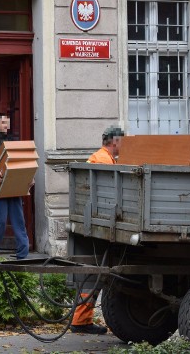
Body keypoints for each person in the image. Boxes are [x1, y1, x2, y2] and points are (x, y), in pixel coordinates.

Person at [70, 126, 124, 335]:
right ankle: (80, 320)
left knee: (94, 275)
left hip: (94, 220)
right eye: (122, 142)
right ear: (114, 141)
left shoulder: (101, 157)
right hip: (101, 222)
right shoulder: (103, 160)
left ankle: (81, 319)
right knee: (95, 275)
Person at [0, 113, 31, 260]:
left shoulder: (13, 141)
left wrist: (29, 177)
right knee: (0, 221)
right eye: (3, 123)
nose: (6, 126)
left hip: (13, 187)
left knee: (19, 221)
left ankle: (23, 253)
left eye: (7, 123)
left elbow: (22, 161)